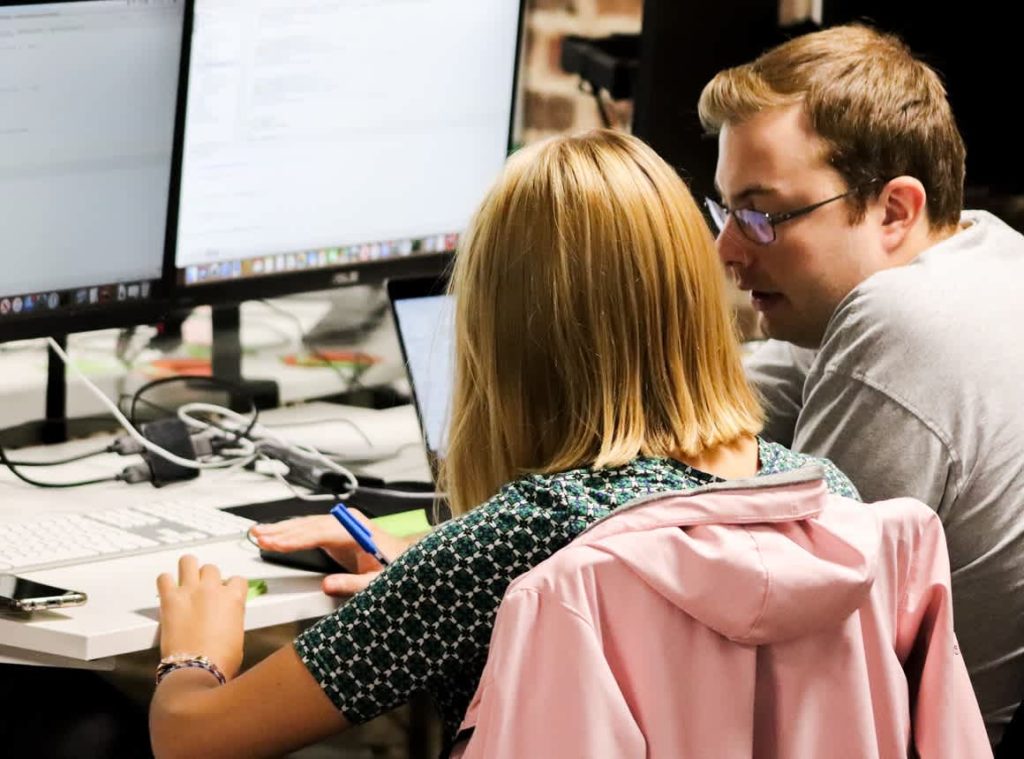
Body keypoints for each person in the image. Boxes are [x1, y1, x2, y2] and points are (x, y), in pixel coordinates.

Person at [149, 129, 859, 759]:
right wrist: (429, 560)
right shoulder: (827, 500)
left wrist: (194, 656)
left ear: (500, 332)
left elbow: (193, 738)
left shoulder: (517, 538)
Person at [698, 23, 1024, 744]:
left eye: (761, 214)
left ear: (895, 210)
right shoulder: (988, 246)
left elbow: (779, 638)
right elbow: (712, 417)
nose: (727, 249)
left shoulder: (902, 316)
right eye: (726, 211)